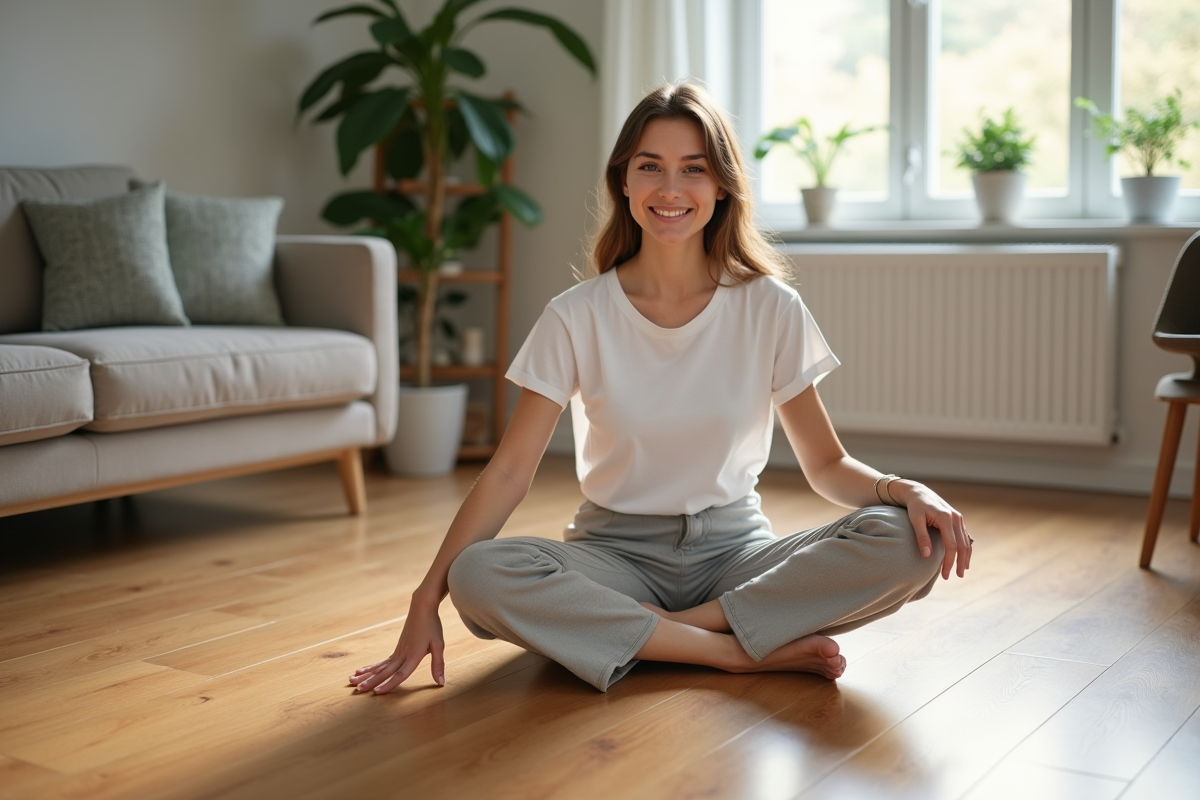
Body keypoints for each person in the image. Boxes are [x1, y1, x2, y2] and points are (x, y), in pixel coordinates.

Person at [350, 83, 972, 695]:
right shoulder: (576, 315)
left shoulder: (769, 307)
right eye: (651, 167)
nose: (670, 190)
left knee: (909, 541)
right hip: (615, 559)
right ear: (624, 180)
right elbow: (510, 472)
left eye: (693, 169)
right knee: (479, 575)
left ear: (722, 185)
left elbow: (827, 465)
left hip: (736, 559)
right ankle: (731, 653)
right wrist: (425, 595)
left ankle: (657, 637)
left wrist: (905, 489)